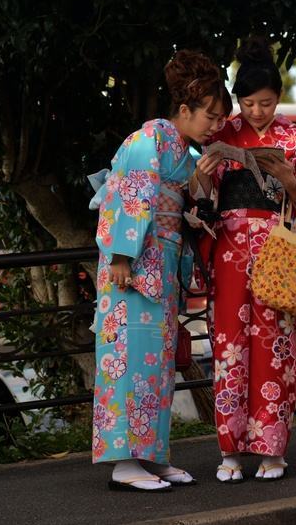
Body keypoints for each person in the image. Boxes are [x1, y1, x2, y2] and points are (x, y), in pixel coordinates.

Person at [91, 49, 231, 492]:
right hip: (131, 267)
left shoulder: (181, 149)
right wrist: (120, 256)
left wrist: (202, 186)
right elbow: (129, 195)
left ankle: (152, 456)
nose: (214, 126)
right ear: (184, 109)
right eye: (209, 115)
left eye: (218, 118)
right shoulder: (149, 139)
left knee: (155, 365)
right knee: (127, 360)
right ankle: (122, 463)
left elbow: (188, 206)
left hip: (161, 260)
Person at [195, 37, 296, 482]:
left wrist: (291, 182)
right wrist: (201, 180)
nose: (257, 112)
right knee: (229, 348)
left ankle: (273, 450)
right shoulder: (221, 135)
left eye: (267, 103)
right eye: (249, 103)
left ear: (279, 98)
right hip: (230, 249)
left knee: (276, 349)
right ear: (238, 100)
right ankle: (230, 452)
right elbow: (201, 199)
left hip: (280, 251)